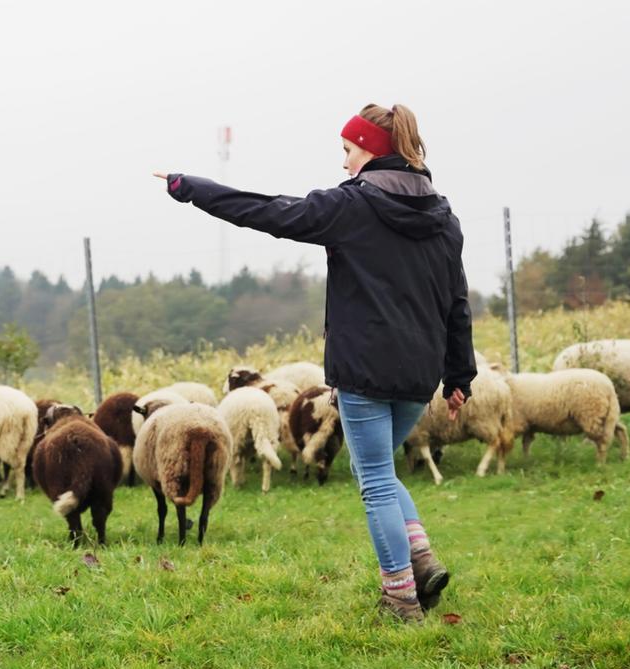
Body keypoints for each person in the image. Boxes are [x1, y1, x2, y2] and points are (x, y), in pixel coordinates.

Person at [155, 103, 475, 622]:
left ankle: (400, 598)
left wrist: (191, 187)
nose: (345, 163)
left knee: (372, 477)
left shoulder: (351, 207)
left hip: (366, 366)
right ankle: (421, 560)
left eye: (348, 151)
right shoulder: (443, 216)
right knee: (380, 469)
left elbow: (268, 210)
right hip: (420, 372)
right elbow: (456, 301)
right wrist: (460, 375)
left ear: (369, 149)